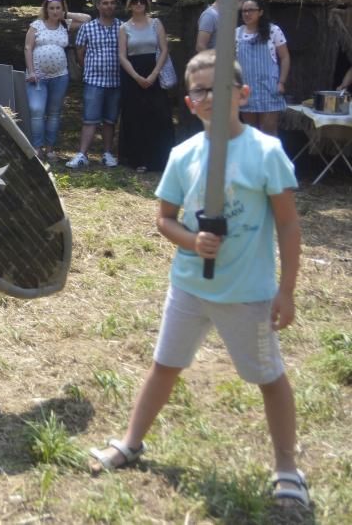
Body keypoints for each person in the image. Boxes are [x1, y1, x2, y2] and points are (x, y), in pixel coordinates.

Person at [89, 49, 309, 510]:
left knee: (269, 377)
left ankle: (287, 468)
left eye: (220, 88)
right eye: (200, 91)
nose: (210, 96)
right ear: (189, 103)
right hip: (190, 287)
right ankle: (131, 441)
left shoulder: (266, 153)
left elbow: (288, 225)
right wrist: (191, 242)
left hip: (248, 294)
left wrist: (286, 291)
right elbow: (164, 219)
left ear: (242, 94)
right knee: (165, 365)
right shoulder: (183, 155)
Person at [23, 0, 90, 161]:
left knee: (54, 113)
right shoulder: (36, 25)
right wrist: (31, 71)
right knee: (37, 110)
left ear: (62, 9)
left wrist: (66, 15)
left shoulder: (65, 25)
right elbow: (28, 48)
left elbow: (87, 19)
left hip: (60, 76)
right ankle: (37, 147)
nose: (54, 11)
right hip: (37, 77)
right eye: (51, 8)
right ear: (46, 9)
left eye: (57, 8)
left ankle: (50, 148)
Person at [117, 0, 175, 172]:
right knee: (136, 117)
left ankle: (160, 159)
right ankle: (138, 159)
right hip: (133, 74)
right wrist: (136, 76)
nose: (139, 4)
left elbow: (164, 49)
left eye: (142, 0)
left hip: (154, 72)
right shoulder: (124, 28)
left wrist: (154, 74)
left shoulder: (156, 23)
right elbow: (122, 55)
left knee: (159, 115)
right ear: (130, 5)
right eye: (135, 1)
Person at [67, 0, 122, 169]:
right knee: (90, 119)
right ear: (98, 6)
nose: (109, 6)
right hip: (94, 80)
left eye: (112, 3)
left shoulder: (122, 27)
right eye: (105, 3)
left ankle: (107, 154)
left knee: (110, 120)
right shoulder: (87, 28)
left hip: (115, 81)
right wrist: (88, 68)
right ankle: (82, 154)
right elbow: (80, 52)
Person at [236, 0, 291, 136]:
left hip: (269, 89)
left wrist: (281, 82)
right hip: (246, 90)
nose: (246, 14)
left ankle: (272, 159)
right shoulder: (237, 34)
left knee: (269, 133)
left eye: (251, 10)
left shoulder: (273, 31)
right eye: (243, 11)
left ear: (260, 12)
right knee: (251, 134)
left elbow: (285, 57)